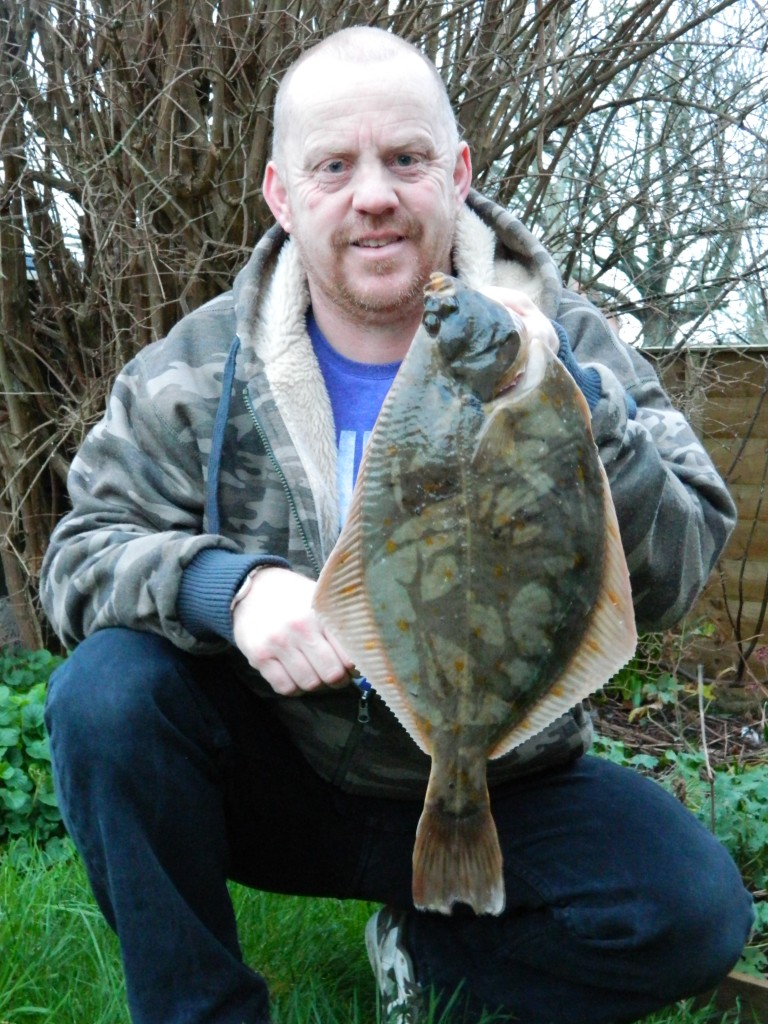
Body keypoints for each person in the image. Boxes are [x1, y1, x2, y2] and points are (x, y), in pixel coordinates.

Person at [41, 25, 753, 1024]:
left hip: (504, 777)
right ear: (282, 195)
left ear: (456, 174)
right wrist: (230, 589)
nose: (373, 193)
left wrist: (582, 410)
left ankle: (426, 946)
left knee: (692, 911)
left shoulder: (567, 339)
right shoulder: (193, 370)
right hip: (282, 770)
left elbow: (681, 566)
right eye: (334, 165)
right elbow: (77, 559)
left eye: (406, 159)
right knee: (106, 695)